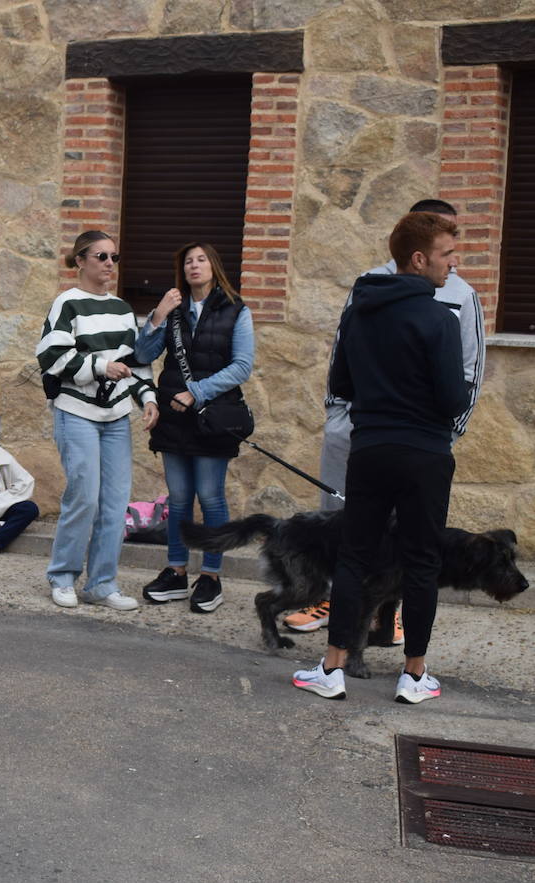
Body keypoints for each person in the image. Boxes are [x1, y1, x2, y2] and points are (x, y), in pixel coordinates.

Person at [284, 198, 485, 639]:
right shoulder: (369, 286)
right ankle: (338, 611)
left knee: (405, 543)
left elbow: (471, 373)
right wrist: (339, 418)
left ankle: (382, 616)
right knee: (348, 535)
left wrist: (447, 435)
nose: (453, 257)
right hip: (364, 434)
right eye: (445, 245)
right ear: (418, 249)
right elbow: (342, 358)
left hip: (420, 441)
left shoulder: (462, 296)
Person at [36, 230, 158, 612]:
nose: (109, 264)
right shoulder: (67, 304)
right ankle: (62, 577)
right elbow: (51, 356)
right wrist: (102, 366)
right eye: (101, 256)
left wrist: (148, 398)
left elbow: (136, 362)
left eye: (113, 257)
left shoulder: (122, 309)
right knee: (84, 497)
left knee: (115, 504)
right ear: (80, 261)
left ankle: (102, 585)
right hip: (76, 413)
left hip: (116, 416)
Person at [134, 242, 255, 614]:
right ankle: (176, 571)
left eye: (201, 259)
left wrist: (197, 392)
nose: (194, 266)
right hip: (174, 418)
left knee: (211, 496)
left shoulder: (236, 310)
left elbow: (242, 366)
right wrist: (157, 315)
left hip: (212, 417)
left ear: (213, 266)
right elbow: (142, 354)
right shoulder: (174, 311)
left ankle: (211, 576)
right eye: (188, 261)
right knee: (179, 498)